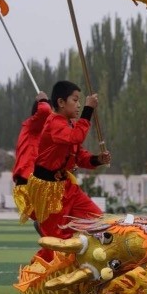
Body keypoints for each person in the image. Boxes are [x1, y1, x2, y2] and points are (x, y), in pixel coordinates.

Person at [27, 80, 111, 262]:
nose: (80, 104)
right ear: (61, 102)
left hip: (66, 187)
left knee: (98, 223)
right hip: (48, 191)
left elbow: (79, 156)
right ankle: (36, 275)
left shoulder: (69, 124)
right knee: (56, 244)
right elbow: (76, 137)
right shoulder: (54, 123)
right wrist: (89, 110)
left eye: (81, 101)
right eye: (75, 100)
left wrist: (97, 159)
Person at [12, 91, 51, 229]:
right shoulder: (33, 126)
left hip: (32, 183)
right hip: (28, 182)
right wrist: (44, 101)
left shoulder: (42, 135)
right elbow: (45, 111)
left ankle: (45, 228)